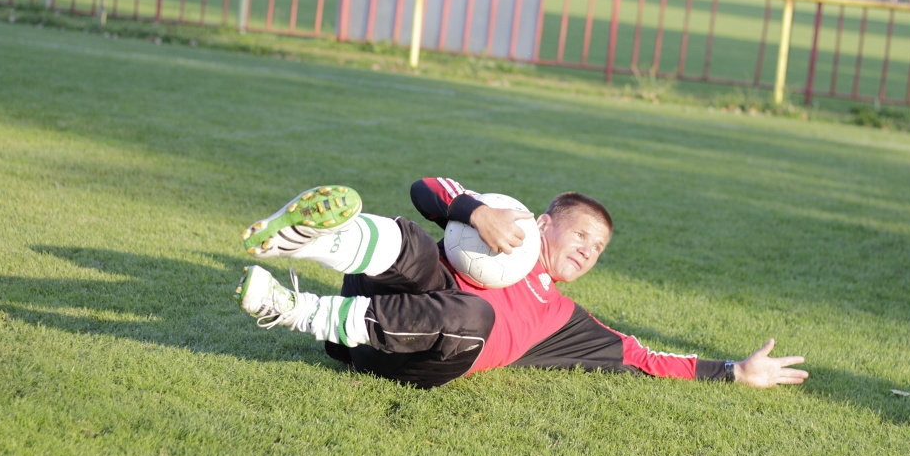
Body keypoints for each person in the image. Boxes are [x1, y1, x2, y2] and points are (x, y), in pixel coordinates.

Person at [235, 179, 809, 390]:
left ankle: (294, 309)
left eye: (598, 249)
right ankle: (307, 240)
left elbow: (644, 357)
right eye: (582, 234)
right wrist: (472, 210)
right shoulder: (497, 226)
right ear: (543, 222)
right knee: (415, 243)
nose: (588, 250)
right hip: (380, 304)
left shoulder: (564, 319)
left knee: (473, 317)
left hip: (417, 356)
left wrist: (735, 371)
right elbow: (424, 187)